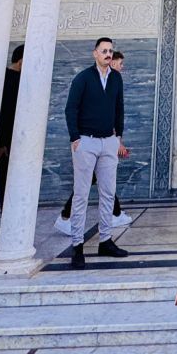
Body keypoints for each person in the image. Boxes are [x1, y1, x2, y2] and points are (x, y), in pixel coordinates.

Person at [63, 37, 129, 266]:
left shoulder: (116, 78)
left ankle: (105, 240)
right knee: (81, 194)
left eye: (110, 51)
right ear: (95, 54)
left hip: (109, 141)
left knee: (108, 192)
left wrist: (118, 136)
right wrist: (74, 137)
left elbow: (119, 107)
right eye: (104, 51)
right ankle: (77, 246)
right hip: (86, 142)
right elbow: (71, 108)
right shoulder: (83, 78)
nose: (108, 54)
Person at [0, 46, 22, 198]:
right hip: (4, 143)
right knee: (7, 183)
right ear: (21, 61)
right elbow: (6, 113)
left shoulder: (0, 77)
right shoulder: (14, 80)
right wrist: (1, 143)